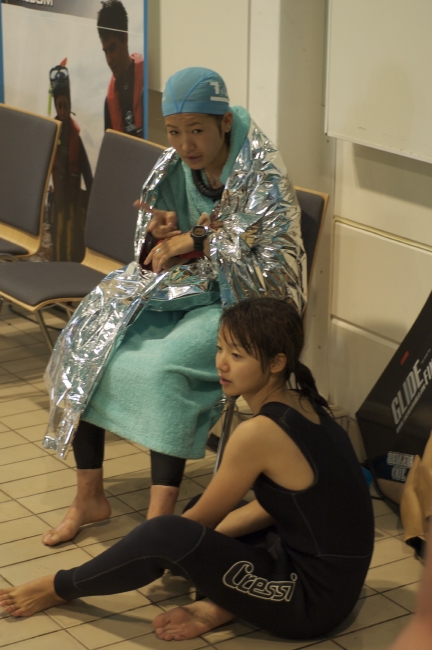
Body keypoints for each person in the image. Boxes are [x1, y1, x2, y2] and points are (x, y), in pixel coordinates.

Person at [0, 298, 374, 642]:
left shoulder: (259, 433)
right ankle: (221, 606)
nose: (221, 364)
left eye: (237, 355)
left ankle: (58, 588)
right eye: (220, 348)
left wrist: (171, 548)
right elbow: (285, 506)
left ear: (276, 363)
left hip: (309, 602)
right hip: (331, 578)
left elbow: (186, 529)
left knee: (168, 532)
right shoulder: (306, 403)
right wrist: (197, 548)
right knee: (200, 517)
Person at [41, 67, 306, 545]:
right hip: (187, 288)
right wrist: (162, 232)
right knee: (87, 344)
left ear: (225, 122)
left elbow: (266, 263)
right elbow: (160, 241)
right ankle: (89, 498)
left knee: (161, 371)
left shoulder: (261, 168)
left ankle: (158, 521)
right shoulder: (179, 163)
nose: (186, 145)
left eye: (197, 130)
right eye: (175, 132)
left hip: (243, 305)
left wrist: (198, 237)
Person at [49, 61, 93, 262]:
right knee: (58, 235)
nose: (63, 110)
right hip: (58, 196)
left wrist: (91, 194)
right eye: (59, 106)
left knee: (72, 237)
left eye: (66, 105)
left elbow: (85, 167)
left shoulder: (75, 135)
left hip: (73, 196)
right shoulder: (51, 134)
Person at [97, 0, 144, 138]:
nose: (109, 60)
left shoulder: (148, 85)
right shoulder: (109, 103)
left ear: (125, 38)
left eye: (112, 49)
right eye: (105, 52)